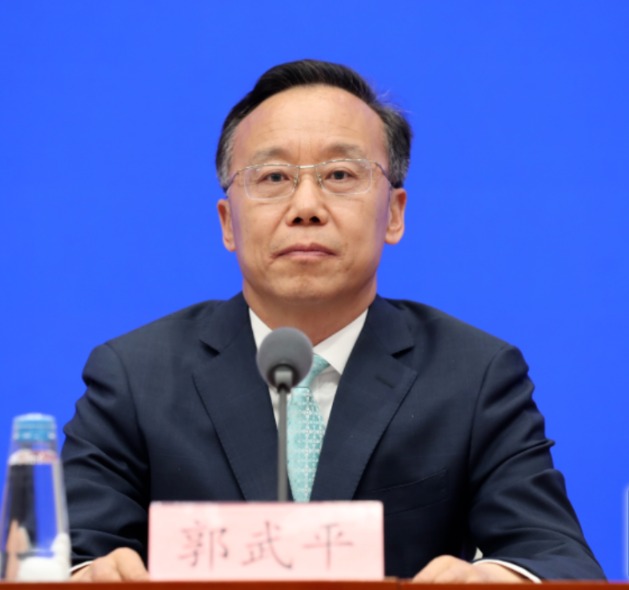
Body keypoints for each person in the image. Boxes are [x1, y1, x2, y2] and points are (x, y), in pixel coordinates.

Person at [62, 59, 605, 582]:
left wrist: (500, 577)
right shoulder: (135, 377)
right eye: (273, 176)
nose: (306, 206)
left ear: (394, 214)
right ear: (228, 223)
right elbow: (68, 552)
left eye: (340, 174)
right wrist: (88, 574)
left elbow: (557, 558)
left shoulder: (474, 375)